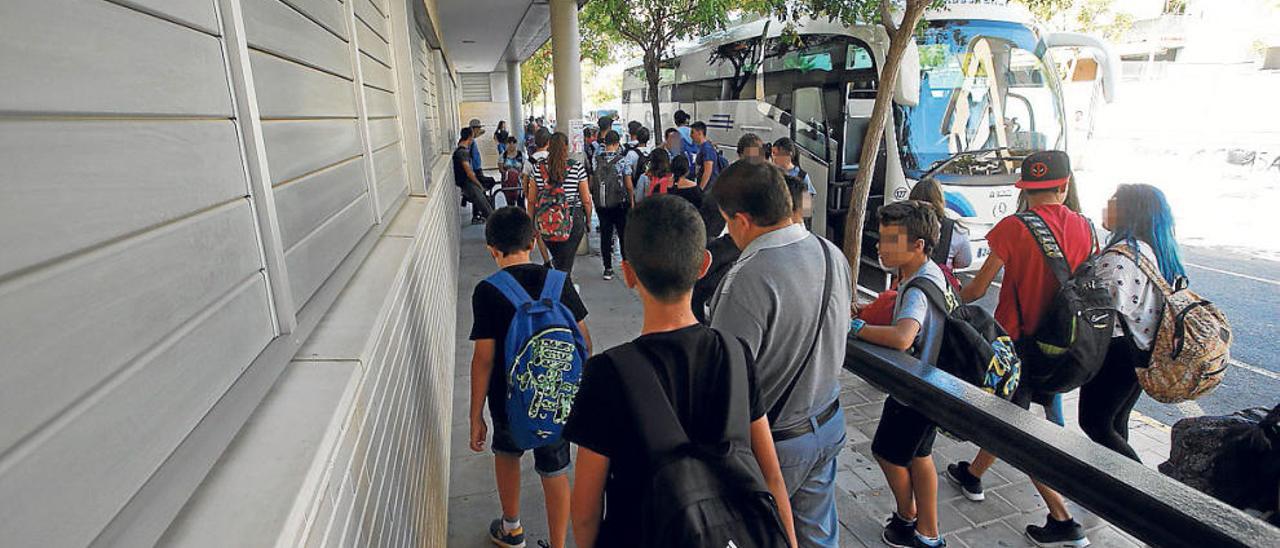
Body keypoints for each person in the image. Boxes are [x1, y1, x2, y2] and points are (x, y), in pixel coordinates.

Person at [564, 196, 796, 548]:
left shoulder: (607, 374)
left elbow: (584, 510)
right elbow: (772, 476)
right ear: (703, 265)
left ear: (628, 274)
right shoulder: (734, 353)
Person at [944, 150, 1093, 547]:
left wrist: (948, 292)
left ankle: (1063, 520)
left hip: (1017, 345)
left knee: (1017, 428)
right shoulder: (1087, 228)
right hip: (1066, 345)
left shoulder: (1013, 227)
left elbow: (976, 288)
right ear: (1063, 187)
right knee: (1015, 416)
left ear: (1025, 190)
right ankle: (973, 474)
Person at [709, 160, 853, 546]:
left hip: (776, 447)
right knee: (818, 537)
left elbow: (726, 384)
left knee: (760, 535)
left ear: (740, 220)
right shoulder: (830, 253)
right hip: (828, 422)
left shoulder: (745, 278)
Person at [468, 207, 592, 548]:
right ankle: (557, 543)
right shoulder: (558, 281)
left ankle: (512, 529)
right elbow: (585, 342)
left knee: (507, 454)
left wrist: (475, 414)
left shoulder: (487, 291)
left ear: (491, 248)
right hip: (554, 398)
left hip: (506, 401)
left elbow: (483, 359)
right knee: (555, 470)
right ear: (533, 240)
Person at [850, 201, 950, 548]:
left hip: (914, 391)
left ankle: (908, 519)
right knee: (920, 455)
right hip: (934, 383)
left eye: (891, 240)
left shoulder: (918, 287)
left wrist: (856, 327)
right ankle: (929, 533)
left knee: (887, 452)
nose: (880, 246)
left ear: (918, 246)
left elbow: (904, 336)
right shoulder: (932, 273)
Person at [1080, 184, 1186, 461]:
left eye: (1113, 200)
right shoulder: (1152, 250)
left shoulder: (1121, 257)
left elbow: (1101, 308)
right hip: (1141, 349)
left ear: (1130, 211)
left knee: (1094, 423)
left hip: (1116, 352)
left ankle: (1140, 491)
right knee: (1115, 422)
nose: (1106, 205)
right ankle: (1109, 490)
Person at [527, 132, 593, 276]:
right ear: (566, 147)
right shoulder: (576, 168)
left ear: (549, 146)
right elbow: (586, 200)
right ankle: (562, 292)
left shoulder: (537, 169)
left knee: (559, 261)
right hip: (572, 220)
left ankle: (559, 288)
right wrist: (588, 220)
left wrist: (531, 223)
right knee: (565, 265)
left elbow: (531, 200)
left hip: (546, 221)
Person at [908, 179, 972, 288]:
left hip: (908, 285)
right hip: (939, 290)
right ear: (940, 200)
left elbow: (890, 264)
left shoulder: (901, 225)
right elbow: (966, 261)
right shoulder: (955, 230)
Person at [593, 130, 635, 281]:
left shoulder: (596, 159)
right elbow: (628, 185)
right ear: (617, 144)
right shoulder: (622, 161)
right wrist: (631, 200)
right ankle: (626, 266)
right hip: (619, 203)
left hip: (602, 203)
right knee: (623, 234)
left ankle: (607, 268)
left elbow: (593, 179)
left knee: (605, 234)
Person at [453, 127, 495, 223]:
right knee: (486, 209)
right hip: (469, 184)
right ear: (470, 137)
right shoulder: (463, 153)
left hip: (467, 183)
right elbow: (469, 173)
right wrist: (480, 186)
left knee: (486, 206)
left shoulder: (461, 151)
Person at [770, 138, 816, 225]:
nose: (773, 157)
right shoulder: (772, 174)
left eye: (776, 153)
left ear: (788, 154)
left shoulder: (802, 176)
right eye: (772, 153)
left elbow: (807, 209)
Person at [690, 121, 722, 190]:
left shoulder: (707, 148)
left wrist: (700, 190)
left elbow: (707, 171)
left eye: (692, 132)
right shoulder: (703, 147)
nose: (690, 135)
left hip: (708, 188)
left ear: (699, 133)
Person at [498, 135, 527, 208]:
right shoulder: (503, 156)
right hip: (508, 182)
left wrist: (520, 174)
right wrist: (508, 174)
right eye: (509, 143)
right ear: (506, 144)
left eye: (513, 143)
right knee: (510, 203)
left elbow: (525, 168)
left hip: (519, 183)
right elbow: (501, 169)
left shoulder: (521, 155)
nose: (511, 145)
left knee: (521, 202)